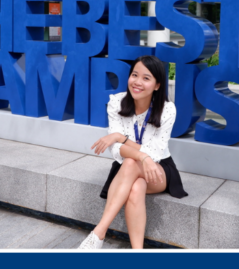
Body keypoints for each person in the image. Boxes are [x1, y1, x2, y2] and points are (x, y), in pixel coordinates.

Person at [78, 56, 187, 250]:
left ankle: (98, 233)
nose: (137, 82)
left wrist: (122, 138)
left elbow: (155, 152)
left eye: (146, 78)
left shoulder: (167, 109)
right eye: (134, 75)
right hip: (128, 167)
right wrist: (140, 154)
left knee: (130, 162)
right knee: (135, 185)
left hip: (159, 169)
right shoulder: (117, 102)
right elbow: (117, 151)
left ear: (156, 85)